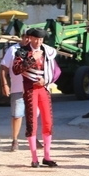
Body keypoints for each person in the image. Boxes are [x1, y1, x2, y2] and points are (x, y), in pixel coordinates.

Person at [12, 28, 59, 168]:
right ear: (30, 38)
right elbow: (16, 70)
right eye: (36, 39)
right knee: (32, 122)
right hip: (30, 89)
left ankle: (47, 156)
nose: (39, 42)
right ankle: (34, 158)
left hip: (44, 88)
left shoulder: (48, 51)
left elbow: (55, 70)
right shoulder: (22, 51)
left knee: (48, 121)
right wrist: (33, 58)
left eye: (41, 39)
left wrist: (46, 80)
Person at [0, 30, 40, 152]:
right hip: (17, 88)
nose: (28, 40)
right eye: (26, 37)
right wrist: (4, 84)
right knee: (17, 115)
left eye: (30, 38)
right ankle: (15, 139)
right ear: (21, 38)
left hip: (33, 88)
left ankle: (33, 137)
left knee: (33, 115)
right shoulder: (13, 50)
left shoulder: (36, 50)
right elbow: (4, 68)